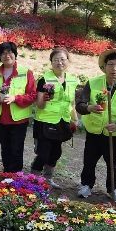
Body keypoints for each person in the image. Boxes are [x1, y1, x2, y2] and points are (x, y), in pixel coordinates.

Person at [75, 48, 116, 202]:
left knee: (113, 163)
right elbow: (80, 105)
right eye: (110, 65)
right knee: (89, 161)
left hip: (114, 134)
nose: (114, 69)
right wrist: (89, 108)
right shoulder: (93, 83)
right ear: (104, 66)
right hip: (94, 131)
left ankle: (113, 188)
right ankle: (86, 184)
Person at [30, 46, 78, 188]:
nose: (59, 62)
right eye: (56, 60)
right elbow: (39, 105)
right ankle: (33, 179)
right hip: (45, 121)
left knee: (56, 153)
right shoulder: (44, 79)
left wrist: (75, 119)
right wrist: (44, 99)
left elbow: (71, 103)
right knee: (43, 153)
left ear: (68, 61)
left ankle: (47, 178)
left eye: (62, 59)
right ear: (51, 62)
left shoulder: (72, 80)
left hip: (62, 121)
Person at [0, 41, 36, 173]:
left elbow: (32, 95)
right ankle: (6, 173)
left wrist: (15, 98)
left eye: (10, 52)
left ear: (15, 54)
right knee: (5, 148)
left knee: (16, 149)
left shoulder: (26, 73)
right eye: (3, 53)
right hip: (2, 118)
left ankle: (16, 176)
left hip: (19, 119)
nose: (7, 55)